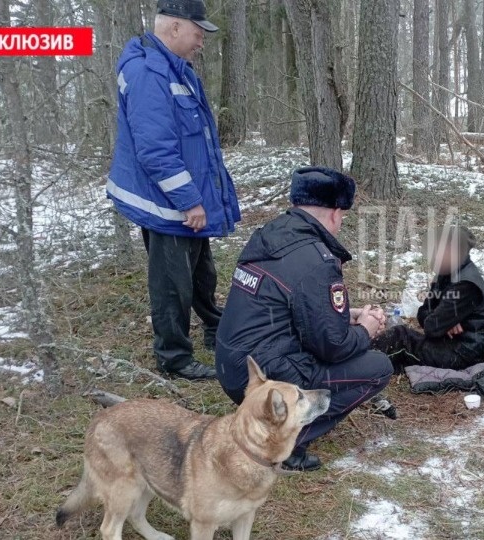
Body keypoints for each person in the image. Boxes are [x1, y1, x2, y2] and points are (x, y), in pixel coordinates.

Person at [215, 167, 393, 472]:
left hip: (233, 368)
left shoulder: (270, 235)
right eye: (343, 216)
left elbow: (288, 308)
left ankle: (270, 420)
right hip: (268, 379)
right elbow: (333, 347)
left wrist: (346, 316)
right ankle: (284, 442)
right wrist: (367, 330)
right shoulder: (315, 260)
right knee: (378, 367)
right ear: (336, 213)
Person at [107, 0, 239, 380]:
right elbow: (155, 150)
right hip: (167, 205)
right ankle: (174, 358)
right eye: (198, 33)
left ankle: (216, 329)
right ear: (175, 27)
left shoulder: (176, 69)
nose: (201, 42)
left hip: (184, 201)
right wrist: (190, 201)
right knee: (172, 285)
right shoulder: (148, 73)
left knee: (201, 274)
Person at [372, 225, 484, 372]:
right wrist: (446, 322)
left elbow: (431, 327)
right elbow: (423, 313)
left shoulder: (465, 284)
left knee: (400, 338)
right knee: (399, 339)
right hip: (453, 343)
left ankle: (363, 362)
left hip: (467, 353)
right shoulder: (446, 273)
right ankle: (366, 358)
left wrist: (440, 321)